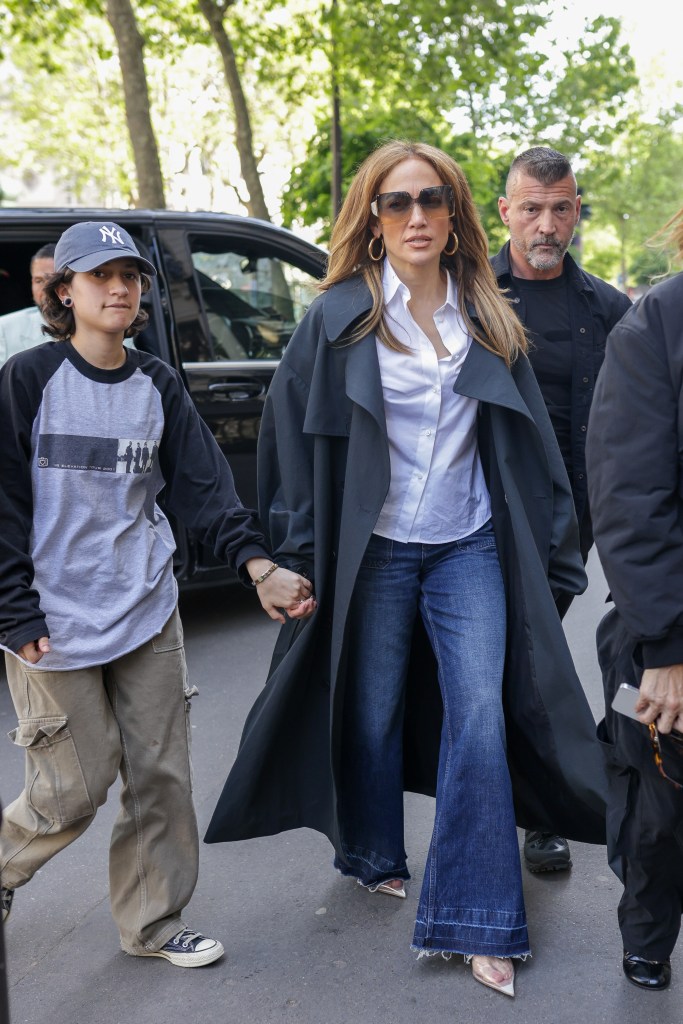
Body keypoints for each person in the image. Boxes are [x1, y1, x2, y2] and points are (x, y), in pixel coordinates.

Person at [205, 141, 607, 998]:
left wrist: (555, 557)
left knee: (481, 719)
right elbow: (292, 445)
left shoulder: (489, 315)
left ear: (457, 213)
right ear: (372, 218)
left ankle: (478, 916)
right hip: (375, 550)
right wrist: (289, 558)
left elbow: (535, 450)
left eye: (432, 200)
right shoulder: (339, 317)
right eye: (396, 203)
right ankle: (372, 849)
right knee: (369, 707)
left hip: (466, 546)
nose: (417, 216)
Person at [0, 221, 312, 968]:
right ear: (63, 292)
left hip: (144, 608)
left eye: (130, 276)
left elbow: (205, 491)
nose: (118, 288)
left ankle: (152, 923)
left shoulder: (156, 384)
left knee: (160, 775)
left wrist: (256, 567)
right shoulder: (29, 380)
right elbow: (4, 501)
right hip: (52, 621)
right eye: (99, 275)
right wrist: (14, 608)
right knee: (72, 788)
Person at [493, 146, 631, 875]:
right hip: (474, 516)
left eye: (560, 209)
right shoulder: (466, 291)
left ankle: (536, 813)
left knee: (532, 663)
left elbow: (629, 426)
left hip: (564, 525)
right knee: (481, 667)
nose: (546, 225)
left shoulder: (606, 310)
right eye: (532, 209)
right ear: (505, 211)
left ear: (577, 212)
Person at [586, 206, 683, 991]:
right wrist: (665, 650)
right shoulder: (652, 326)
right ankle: (647, 937)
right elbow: (629, 502)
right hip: (667, 630)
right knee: (661, 810)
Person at [0, 243, 55, 364]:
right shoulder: (4, 329)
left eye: (53, 280)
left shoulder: (93, 326)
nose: (46, 290)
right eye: (39, 281)